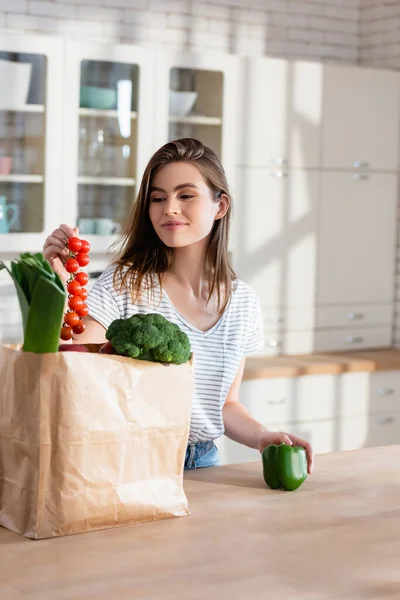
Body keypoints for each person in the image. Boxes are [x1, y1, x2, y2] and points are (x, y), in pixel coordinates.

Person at [43, 138, 314, 474]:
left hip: (204, 463)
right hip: (132, 462)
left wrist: (263, 436)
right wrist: (60, 281)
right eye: (158, 198)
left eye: (186, 195)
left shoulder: (243, 303)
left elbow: (224, 405)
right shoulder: (125, 282)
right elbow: (74, 354)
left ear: (220, 206)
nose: (169, 208)